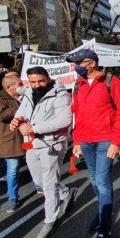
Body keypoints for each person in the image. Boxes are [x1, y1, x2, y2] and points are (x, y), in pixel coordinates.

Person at [66, 49, 120, 238]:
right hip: (86, 141)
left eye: (78, 63)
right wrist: (77, 141)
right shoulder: (78, 85)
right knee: (94, 180)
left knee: (102, 181)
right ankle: (104, 211)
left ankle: (105, 223)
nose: (75, 67)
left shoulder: (112, 82)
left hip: (106, 140)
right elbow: (78, 115)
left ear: (91, 63)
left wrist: (116, 142)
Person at [9, 66, 77, 238]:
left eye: (41, 81)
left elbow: (65, 119)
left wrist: (35, 128)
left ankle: (50, 221)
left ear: (48, 79)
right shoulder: (28, 93)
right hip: (31, 144)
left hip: (51, 144)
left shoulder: (60, 94)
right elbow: (22, 112)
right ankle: (67, 193)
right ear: (28, 82)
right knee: (40, 181)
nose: (37, 85)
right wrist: (17, 120)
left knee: (48, 185)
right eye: (33, 82)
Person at [0, 74, 24, 213]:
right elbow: (2, 115)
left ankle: (40, 187)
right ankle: (12, 198)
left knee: (36, 165)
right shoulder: (2, 98)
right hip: (11, 140)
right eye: (19, 84)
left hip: (27, 137)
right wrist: (20, 106)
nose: (22, 86)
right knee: (13, 170)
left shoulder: (22, 96)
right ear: (9, 87)